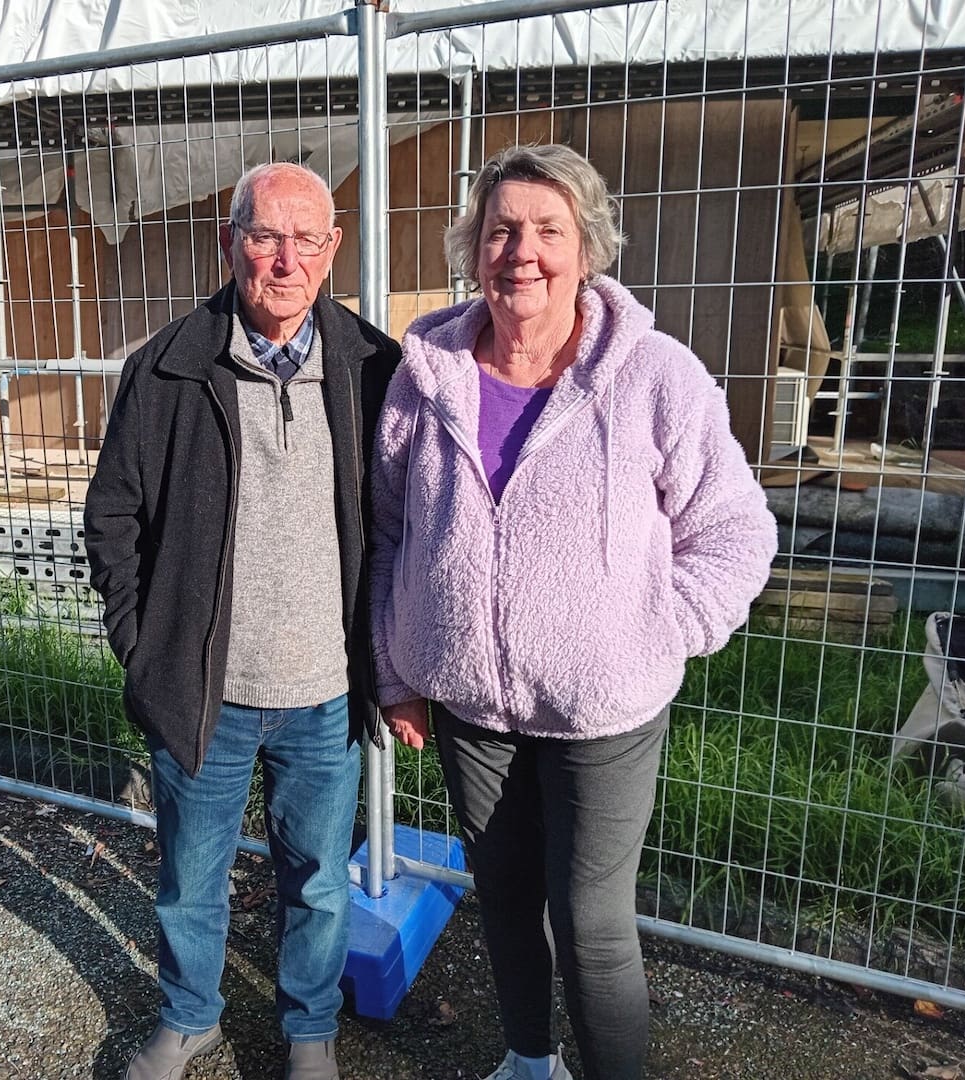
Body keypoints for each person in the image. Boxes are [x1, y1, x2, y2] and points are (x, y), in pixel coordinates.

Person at [368, 143, 777, 1080]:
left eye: (549, 230)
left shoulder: (653, 375)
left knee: (591, 925)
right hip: (470, 702)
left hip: (606, 711)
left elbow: (736, 531)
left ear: (585, 248)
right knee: (505, 897)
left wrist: (661, 628)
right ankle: (526, 1061)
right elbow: (388, 531)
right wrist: (397, 666)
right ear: (475, 248)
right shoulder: (424, 373)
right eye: (502, 229)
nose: (524, 251)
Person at [84, 161, 399, 1080]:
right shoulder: (169, 367)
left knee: (320, 884)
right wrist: (142, 650)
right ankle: (189, 1017)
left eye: (307, 239)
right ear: (231, 244)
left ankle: (309, 1031)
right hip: (203, 691)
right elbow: (112, 517)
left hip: (327, 696)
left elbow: (408, 522)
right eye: (265, 236)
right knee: (190, 884)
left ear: (334, 249)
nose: (285, 259)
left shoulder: (373, 370)